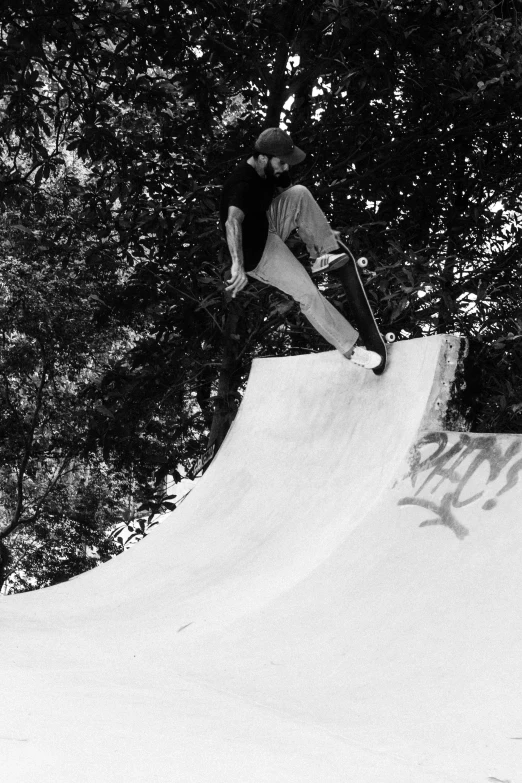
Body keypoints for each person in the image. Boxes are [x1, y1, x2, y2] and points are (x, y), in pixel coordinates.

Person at [219, 127, 383, 370]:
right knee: (306, 293)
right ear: (263, 158)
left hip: (267, 224)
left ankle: (321, 254)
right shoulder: (241, 183)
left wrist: (316, 230)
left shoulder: (268, 167)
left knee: (299, 194)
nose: (285, 168)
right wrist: (237, 265)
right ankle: (351, 349)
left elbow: (286, 191)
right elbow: (232, 222)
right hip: (258, 253)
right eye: (282, 163)